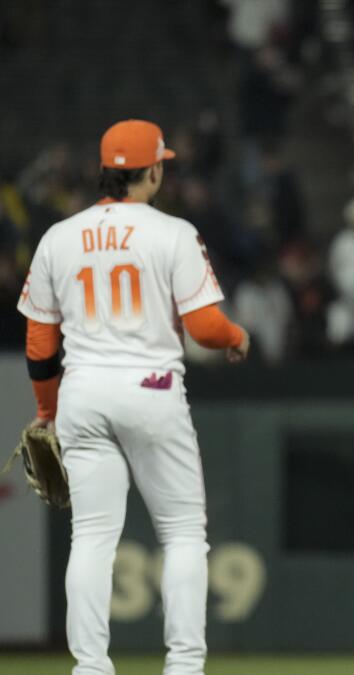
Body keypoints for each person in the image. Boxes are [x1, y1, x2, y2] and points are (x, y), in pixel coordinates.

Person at [17, 119, 250, 675]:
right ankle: (184, 665)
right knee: (183, 533)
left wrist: (47, 410)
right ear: (153, 169)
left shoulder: (59, 236)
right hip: (150, 388)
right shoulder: (172, 232)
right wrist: (237, 337)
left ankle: (91, 666)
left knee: (93, 535)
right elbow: (204, 326)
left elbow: (39, 341)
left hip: (82, 391)